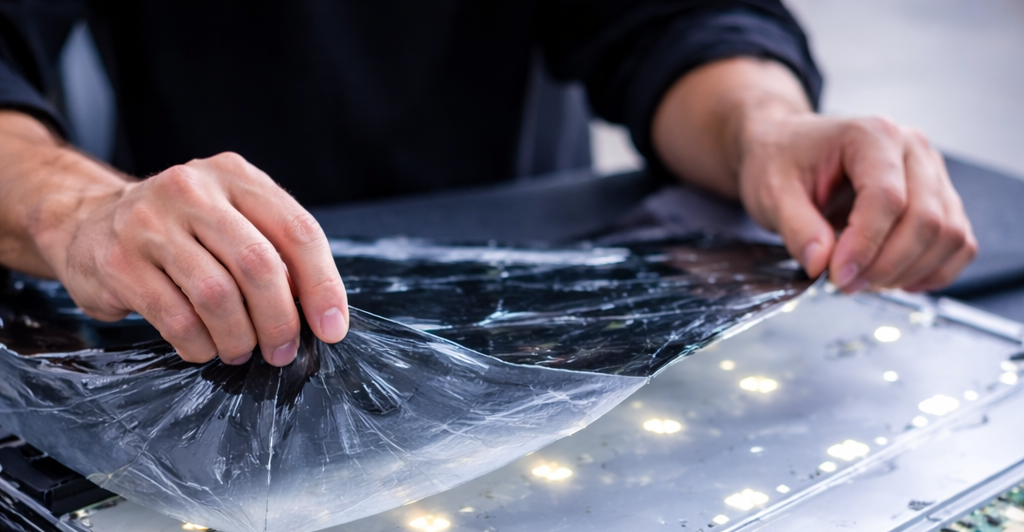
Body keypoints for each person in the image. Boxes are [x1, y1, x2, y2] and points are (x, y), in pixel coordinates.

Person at [0, 2, 975, 369]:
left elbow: (673, 20)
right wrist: (77, 207)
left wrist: (768, 127)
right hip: (200, 327)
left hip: (528, 308)